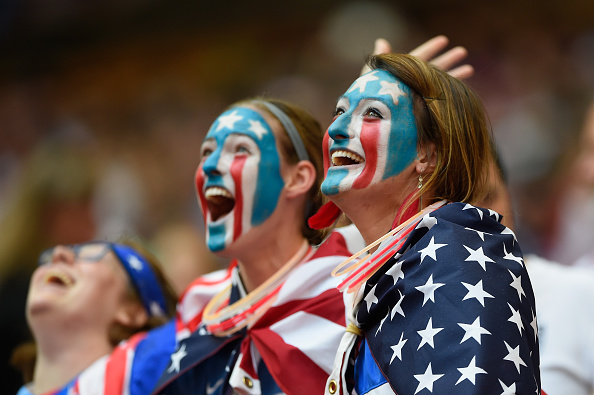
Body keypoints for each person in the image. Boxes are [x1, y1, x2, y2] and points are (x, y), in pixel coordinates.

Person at [319, 53, 541, 394]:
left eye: (372, 113)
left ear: (427, 155)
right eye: (339, 111)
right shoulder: (396, 269)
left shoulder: (460, 257)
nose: (335, 128)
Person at [477, 151, 594, 395]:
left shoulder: (580, 293)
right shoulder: (404, 317)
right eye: (457, 204)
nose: (478, 218)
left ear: (509, 195)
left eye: (488, 197)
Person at [13, 239, 178, 395]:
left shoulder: (151, 373)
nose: (59, 253)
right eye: (47, 260)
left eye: (89, 256)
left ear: (132, 311)